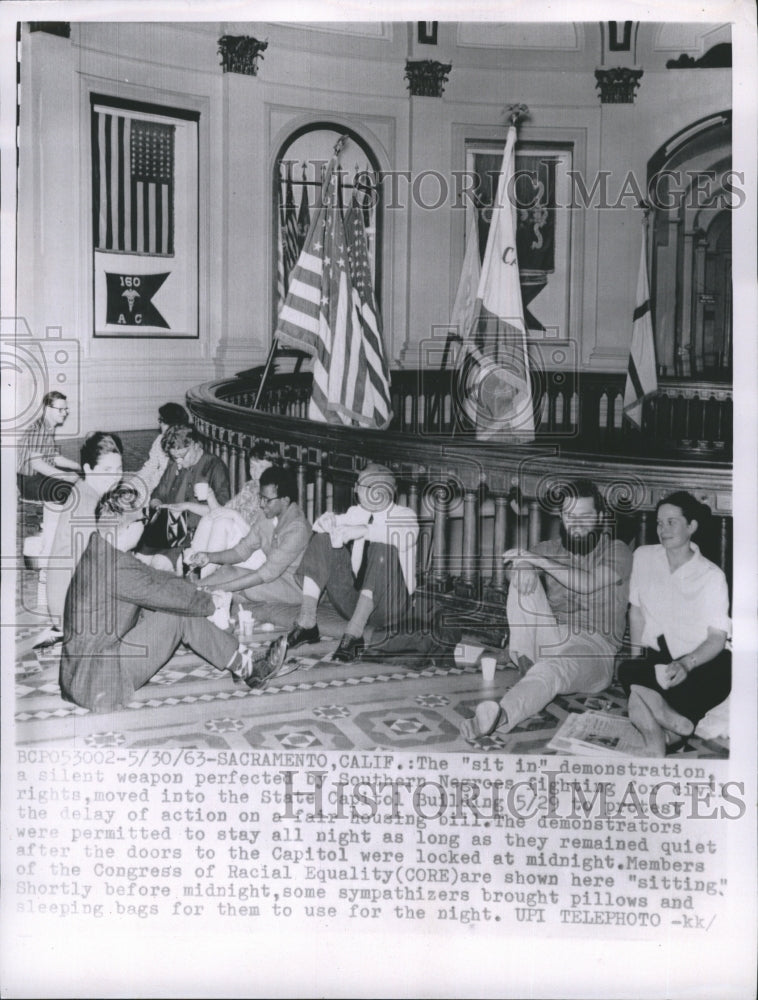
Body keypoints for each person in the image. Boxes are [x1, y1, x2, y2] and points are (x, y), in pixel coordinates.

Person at [60, 493, 288, 713]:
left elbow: (151, 578)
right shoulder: (116, 566)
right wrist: (210, 602)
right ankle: (247, 667)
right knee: (178, 614)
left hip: (81, 676)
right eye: (143, 519)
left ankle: (237, 659)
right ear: (128, 527)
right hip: (103, 683)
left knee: (176, 602)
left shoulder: (102, 549)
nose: (146, 524)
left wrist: (198, 590)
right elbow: (158, 591)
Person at [461, 478, 632, 740]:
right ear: (561, 516)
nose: (575, 524)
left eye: (584, 517)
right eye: (569, 515)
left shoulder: (616, 550)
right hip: (550, 635)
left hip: (592, 648)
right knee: (521, 576)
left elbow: (587, 584)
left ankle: (501, 715)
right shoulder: (551, 548)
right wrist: (523, 566)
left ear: (599, 517)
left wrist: (534, 560)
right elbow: (510, 570)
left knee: (554, 669)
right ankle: (529, 666)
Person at [617, 491, 731, 756]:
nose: (662, 529)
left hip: (695, 659)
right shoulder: (643, 556)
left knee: (726, 667)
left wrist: (686, 664)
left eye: (671, 522)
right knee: (626, 669)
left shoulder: (712, 576)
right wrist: (638, 661)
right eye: (659, 523)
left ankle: (661, 722)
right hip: (656, 658)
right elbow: (636, 612)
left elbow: (717, 638)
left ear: (691, 526)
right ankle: (673, 727)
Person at [286, 464, 419, 662]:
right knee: (323, 538)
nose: (358, 490)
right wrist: (327, 521)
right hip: (354, 602)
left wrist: (364, 530)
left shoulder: (404, 515)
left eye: (361, 486)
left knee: (383, 548)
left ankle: (354, 634)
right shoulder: (356, 512)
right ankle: (307, 621)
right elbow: (317, 527)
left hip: (391, 607)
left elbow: (404, 536)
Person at [41, 432, 124, 644]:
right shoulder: (85, 502)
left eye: (119, 469)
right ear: (88, 469)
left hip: (65, 604)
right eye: (107, 469)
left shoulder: (84, 491)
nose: (115, 476)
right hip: (72, 612)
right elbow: (95, 563)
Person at [192, 466, 310, 604]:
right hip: (272, 578)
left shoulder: (297, 529)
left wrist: (216, 588)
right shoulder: (267, 515)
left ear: (285, 500)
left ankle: (195, 593)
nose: (261, 504)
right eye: (260, 498)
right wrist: (209, 557)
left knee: (239, 588)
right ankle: (192, 589)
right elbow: (241, 551)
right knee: (227, 571)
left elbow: (265, 574)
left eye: (267, 500)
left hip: (293, 588)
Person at [138, 424, 230, 562]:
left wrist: (186, 506)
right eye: (174, 457)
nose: (178, 462)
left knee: (159, 562)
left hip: (193, 534)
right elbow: (158, 494)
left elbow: (223, 511)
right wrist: (158, 506)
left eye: (182, 456)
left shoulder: (215, 466)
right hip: (167, 528)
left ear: (195, 445)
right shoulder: (174, 462)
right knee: (139, 558)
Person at [183, 443, 277, 578]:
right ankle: (193, 564)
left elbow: (258, 537)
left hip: (255, 550)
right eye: (252, 466)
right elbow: (223, 511)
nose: (255, 472)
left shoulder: (273, 494)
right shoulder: (250, 486)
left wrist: (235, 516)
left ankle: (205, 575)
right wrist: (210, 496)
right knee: (209, 518)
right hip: (237, 539)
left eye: (261, 467)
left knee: (223, 524)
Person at [16, 391, 81, 503]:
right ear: (47, 409)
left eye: (65, 409)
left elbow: (55, 458)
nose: (65, 413)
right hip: (29, 481)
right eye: (60, 409)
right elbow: (37, 464)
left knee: (80, 477)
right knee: (71, 490)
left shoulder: (48, 428)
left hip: (39, 477)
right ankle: (29, 500)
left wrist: (78, 466)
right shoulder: (39, 429)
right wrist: (66, 476)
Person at [126, 401, 189, 506]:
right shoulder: (160, 439)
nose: (159, 424)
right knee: (129, 490)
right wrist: (135, 482)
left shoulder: (186, 444)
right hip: (157, 481)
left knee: (144, 500)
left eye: (161, 421)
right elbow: (150, 465)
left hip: (171, 487)